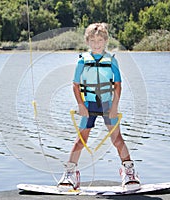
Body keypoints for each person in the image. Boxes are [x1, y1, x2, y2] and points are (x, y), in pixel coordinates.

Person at [57, 23, 140, 191]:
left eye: (100, 40)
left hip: (108, 104)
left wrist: (115, 106)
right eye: (93, 40)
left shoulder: (112, 61)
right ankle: (70, 173)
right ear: (87, 41)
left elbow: (118, 85)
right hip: (88, 104)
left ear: (106, 41)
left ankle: (129, 173)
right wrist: (81, 105)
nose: (97, 44)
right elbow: (75, 85)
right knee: (81, 141)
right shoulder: (82, 61)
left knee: (117, 139)